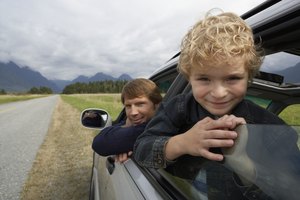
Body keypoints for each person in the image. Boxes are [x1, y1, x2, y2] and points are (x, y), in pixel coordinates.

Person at [133, 11, 300, 199]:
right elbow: (141, 149)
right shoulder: (179, 108)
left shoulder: (275, 130)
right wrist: (182, 143)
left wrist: (245, 165)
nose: (219, 93)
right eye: (204, 79)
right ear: (189, 78)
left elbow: (292, 189)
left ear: (249, 77)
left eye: (233, 78)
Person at [92, 78, 162, 163]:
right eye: (128, 106)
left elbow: (98, 144)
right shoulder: (136, 121)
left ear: (157, 105)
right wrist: (126, 127)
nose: (133, 113)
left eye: (140, 104)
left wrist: (123, 136)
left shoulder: (154, 128)